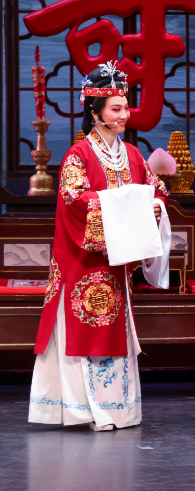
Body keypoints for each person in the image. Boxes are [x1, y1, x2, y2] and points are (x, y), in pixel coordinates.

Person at [29, 61, 172, 430]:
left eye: (125, 107)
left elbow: (156, 190)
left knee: (112, 330)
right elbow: (74, 200)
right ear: (95, 113)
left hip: (116, 264)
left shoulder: (133, 155)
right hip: (82, 261)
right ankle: (82, 409)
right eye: (115, 109)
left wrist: (155, 205)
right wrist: (129, 206)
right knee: (85, 327)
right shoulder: (78, 155)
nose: (124, 115)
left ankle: (118, 408)